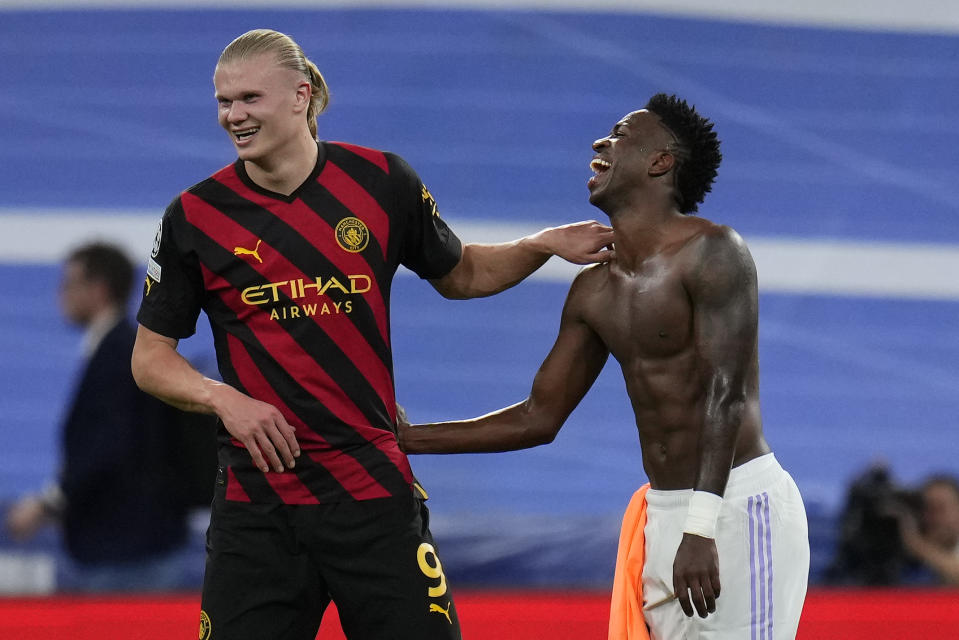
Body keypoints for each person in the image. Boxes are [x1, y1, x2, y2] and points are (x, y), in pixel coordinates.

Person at [130, 28, 613, 640]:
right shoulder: (195, 216)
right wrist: (226, 401)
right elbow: (150, 359)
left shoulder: (382, 181)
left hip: (372, 492)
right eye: (224, 102)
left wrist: (539, 245)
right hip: (259, 505)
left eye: (250, 98)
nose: (234, 116)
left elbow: (461, 273)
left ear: (301, 95)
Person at [400, 94, 810, 639]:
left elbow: (725, 395)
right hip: (664, 520)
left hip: (734, 510)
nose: (600, 142)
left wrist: (700, 528)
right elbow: (537, 418)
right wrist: (404, 438)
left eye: (620, 132)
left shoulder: (714, 252)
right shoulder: (592, 291)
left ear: (660, 162)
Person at [4, 242, 196, 592]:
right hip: (137, 544)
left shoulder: (118, 353)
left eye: (68, 284)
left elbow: (106, 448)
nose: (60, 295)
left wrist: (46, 504)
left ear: (98, 290)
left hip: (126, 551)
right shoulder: (123, 349)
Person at [898, 474, 959, 586]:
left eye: (940, 509)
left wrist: (915, 543)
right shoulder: (905, 557)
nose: (933, 518)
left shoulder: (916, 546)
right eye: (926, 509)